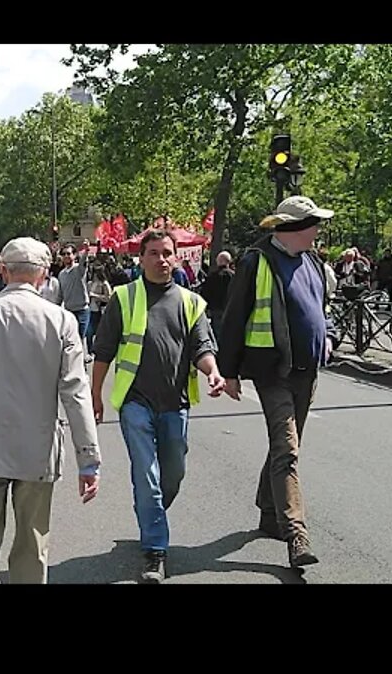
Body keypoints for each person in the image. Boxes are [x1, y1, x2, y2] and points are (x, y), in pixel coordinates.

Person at [0, 237, 101, 584]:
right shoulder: (62, 320)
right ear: (44, 275)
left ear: (2, 270)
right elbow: (76, 393)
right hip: (37, 448)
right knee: (32, 544)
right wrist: (88, 458)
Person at [90, 229, 223, 583]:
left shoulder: (192, 302)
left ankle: (150, 514)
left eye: (166, 253)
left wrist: (213, 372)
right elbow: (103, 352)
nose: (160, 259)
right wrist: (95, 395)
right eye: (153, 253)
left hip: (175, 404)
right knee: (146, 476)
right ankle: (155, 551)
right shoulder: (124, 297)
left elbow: (202, 347)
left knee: (173, 474)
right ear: (141, 258)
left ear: (176, 257)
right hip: (135, 402)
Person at [216, 196, 340, 570]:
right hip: (273, 373)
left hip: (308, 373)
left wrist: (329, 335)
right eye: (313, 224)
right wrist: (229, 371)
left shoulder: (313, 262)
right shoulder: (257, 262)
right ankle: (296, 534)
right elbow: (234, 317)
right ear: (292, 229)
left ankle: (269, 512)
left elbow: (323, 308)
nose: (318, 230)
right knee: (287, 450)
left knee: (285, 446)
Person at [199, 251, 235, 347]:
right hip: (231, 309)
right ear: (229, 261)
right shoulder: (234, 276)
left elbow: (205, 293)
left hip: (216, 309)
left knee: (217, 334)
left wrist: (207, 308)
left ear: (218, 261)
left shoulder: (212, 277)